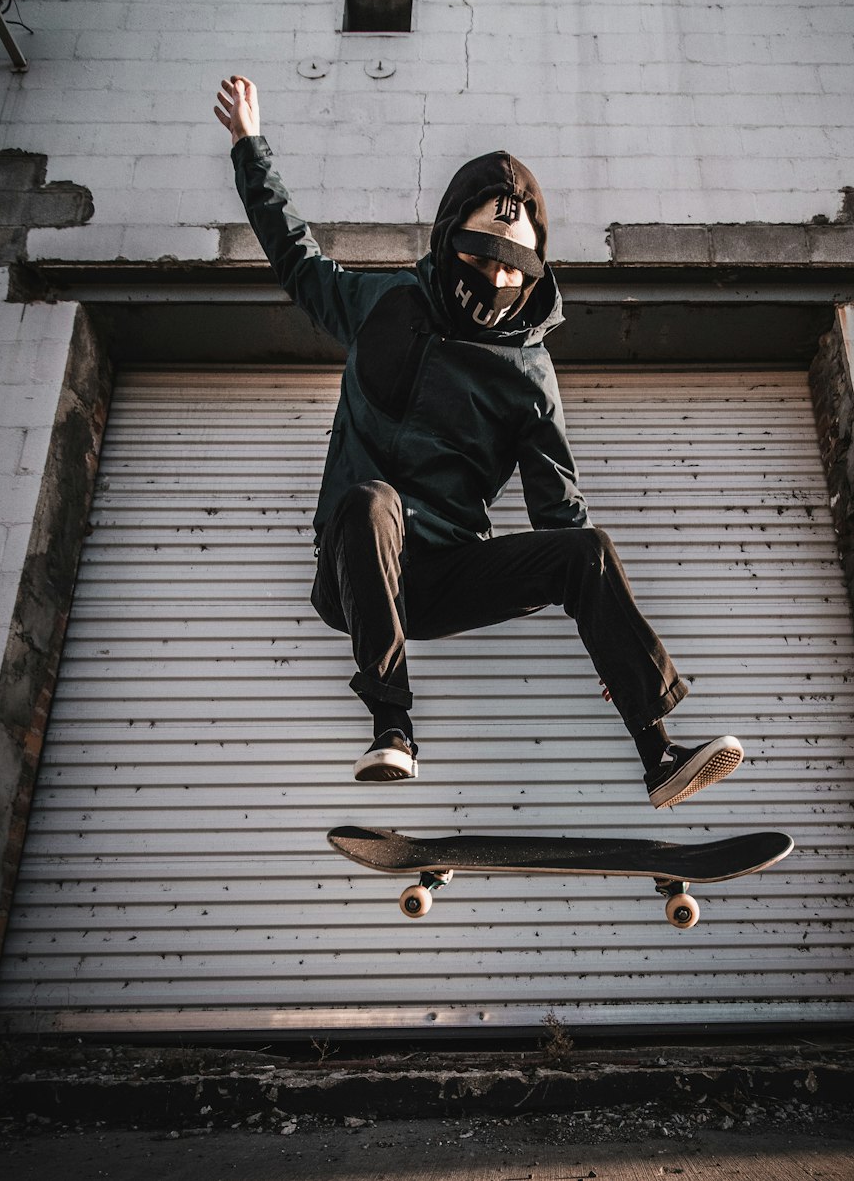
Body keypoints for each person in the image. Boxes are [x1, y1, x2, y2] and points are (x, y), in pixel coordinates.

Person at [214, 75, 744, 808]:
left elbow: (561, 514)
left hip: (450, 575)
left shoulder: (529, 371)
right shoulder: (384, 306)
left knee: (586, 551)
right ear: (449, 242)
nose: (497, 277)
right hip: (359, 572)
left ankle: (659, 753)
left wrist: (608, 632)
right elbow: (295, 256)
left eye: (513, 268)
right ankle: (391, 726)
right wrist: (249, 144)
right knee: (371, 500)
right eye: (482, 257)